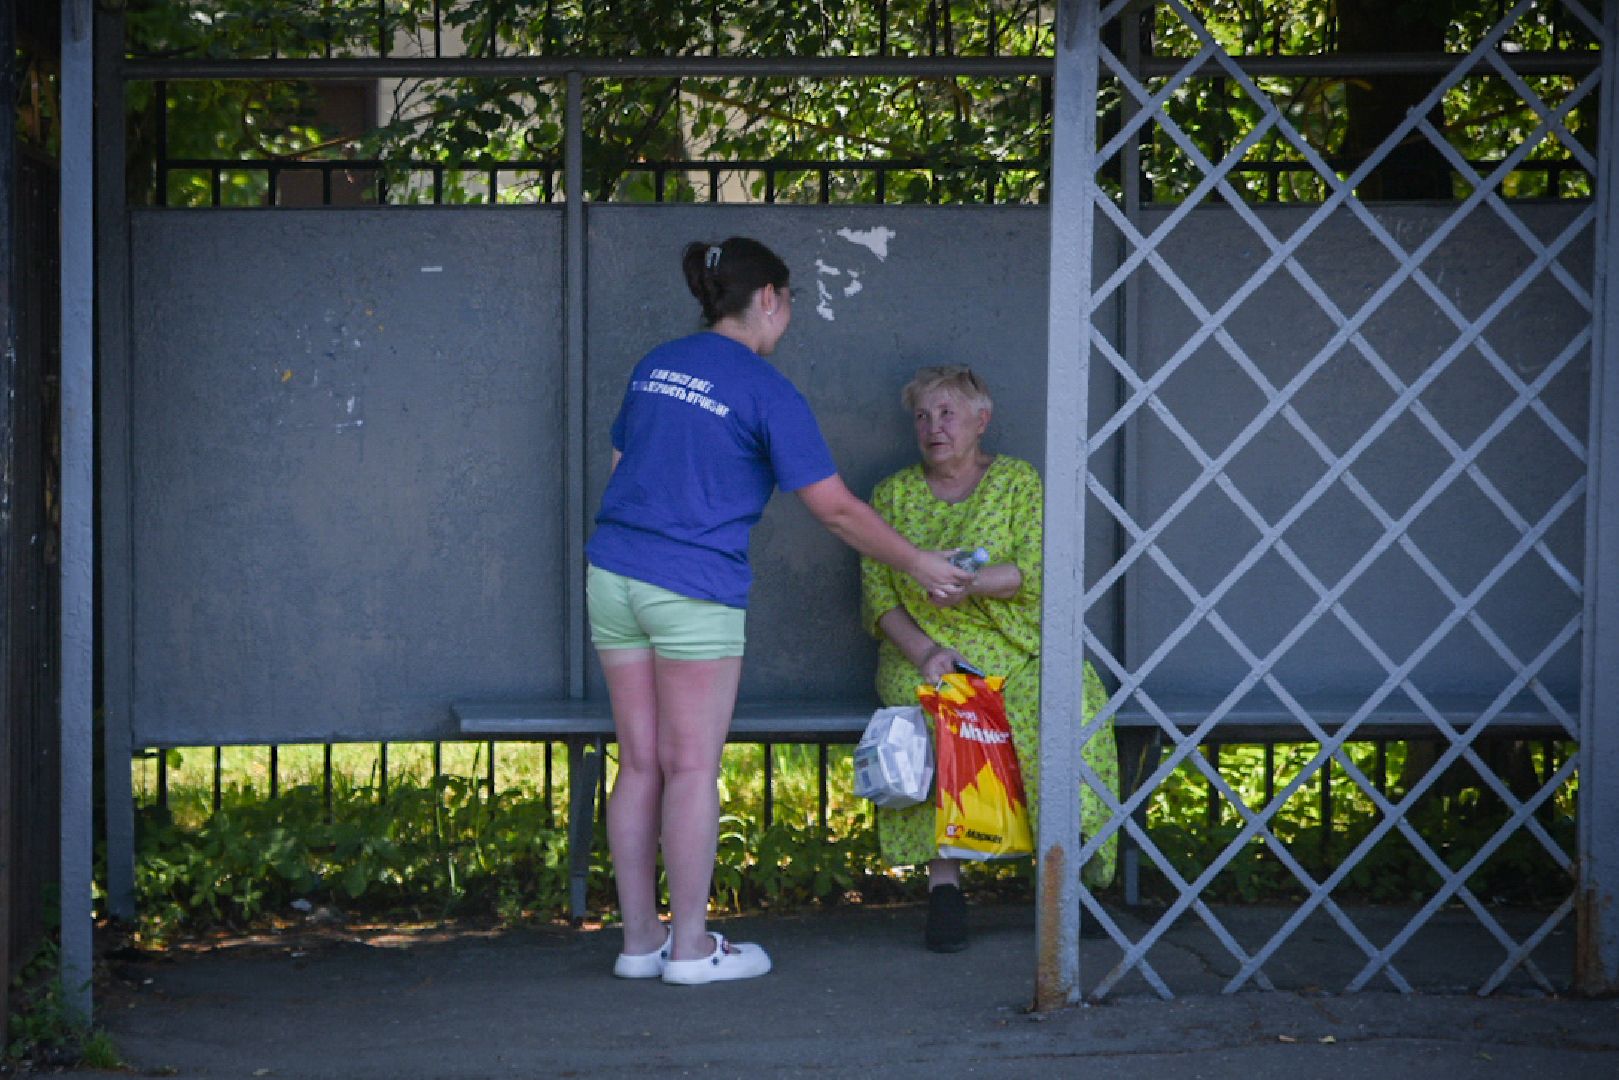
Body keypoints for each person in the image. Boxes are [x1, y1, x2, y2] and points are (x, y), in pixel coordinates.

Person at [585, 238, 973, 986]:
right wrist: (921, 563)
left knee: (639, 763)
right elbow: (834, 510)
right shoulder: (765, 389)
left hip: (614, 574)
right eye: (789, 301)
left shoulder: (656, 364)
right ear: (767, 297)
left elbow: (619, 468)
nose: (788, 315)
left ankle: (639, 944)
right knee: (691, 765)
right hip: (692, 586)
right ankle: (691, 949)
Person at [859, 364, 1119, 953]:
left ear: (983, 419)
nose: (933, 426)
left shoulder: (1018, 483)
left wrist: (969, 584)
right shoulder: (891, 495)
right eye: (922, 415)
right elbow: (878, 598)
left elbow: (1036, 571)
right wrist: (926, 652)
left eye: (947, 412)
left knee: (1062, 706)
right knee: (929, 714)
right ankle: (945, 890)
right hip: (926, 650)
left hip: (1015, 645)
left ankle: (1067, 882)